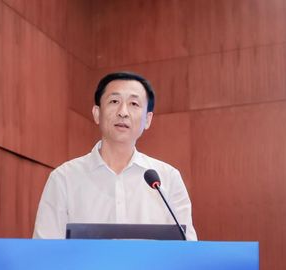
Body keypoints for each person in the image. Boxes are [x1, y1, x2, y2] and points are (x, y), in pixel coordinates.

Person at [33, 71, 197, 240]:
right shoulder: (64, 178)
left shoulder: (168, 179)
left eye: (134, 103)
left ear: (147, 120)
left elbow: (188, 248)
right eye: (114, 101)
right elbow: (44, 248)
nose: (123, 112)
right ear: (97, 114)